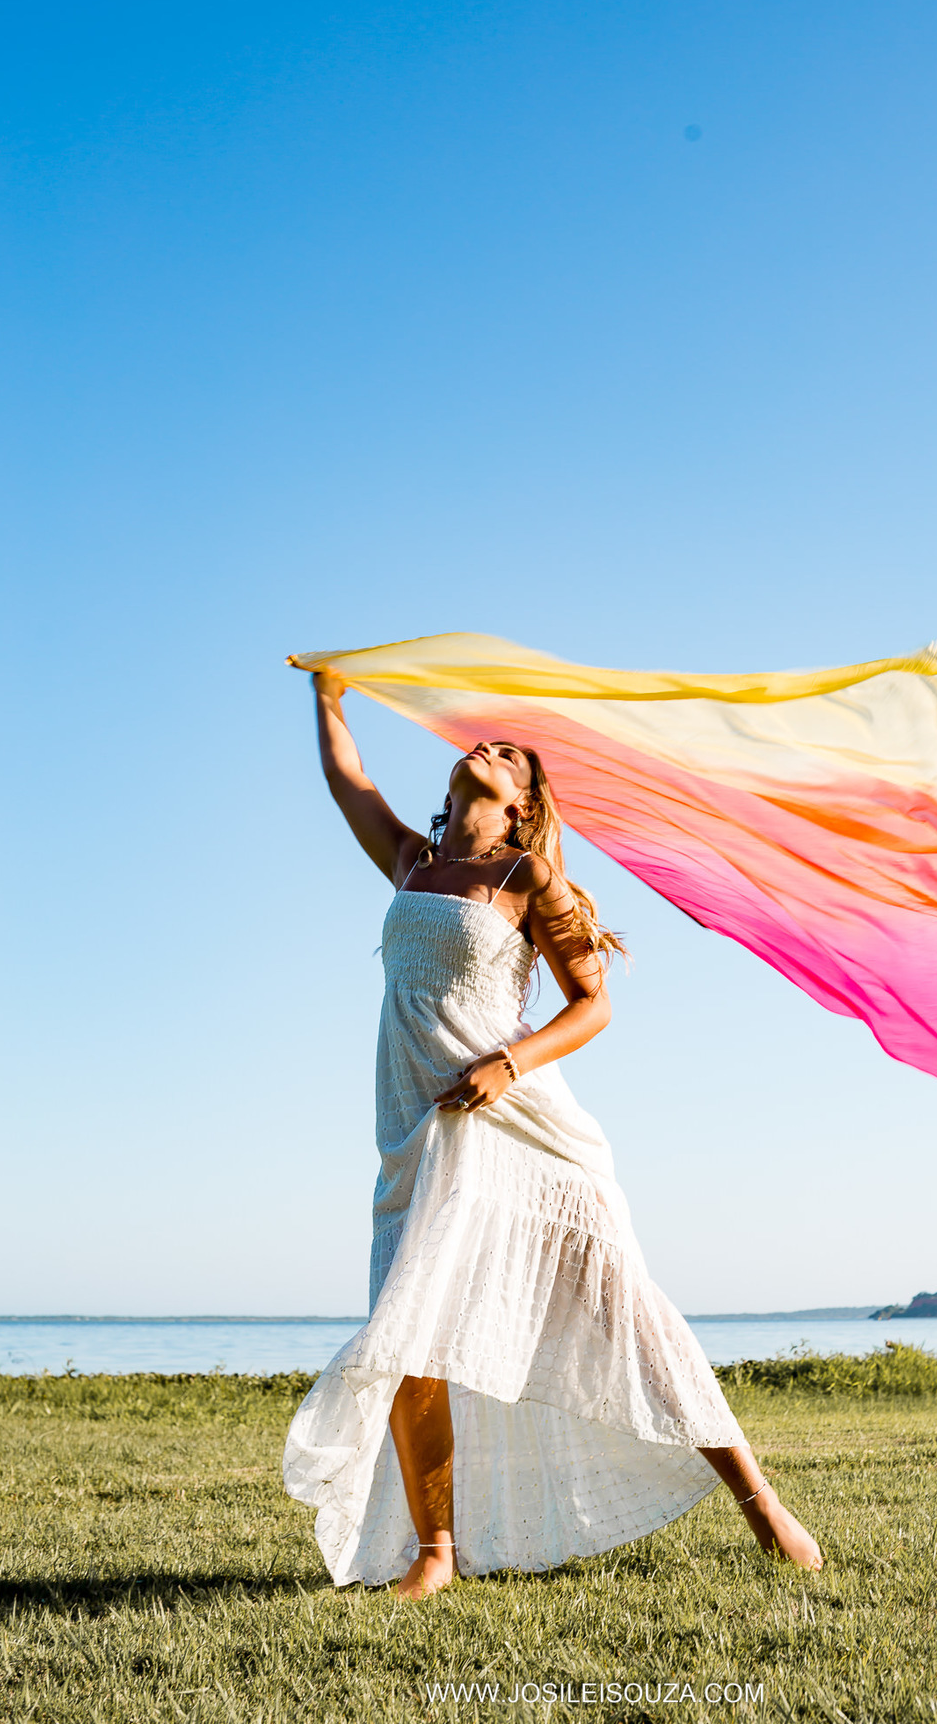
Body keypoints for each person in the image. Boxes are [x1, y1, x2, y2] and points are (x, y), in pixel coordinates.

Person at [283, 670, 823, 1600]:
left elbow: (593, 1004)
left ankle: (759, 1500)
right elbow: (347, 784)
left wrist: (511, 1065)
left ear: (523, 802)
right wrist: (329, 698)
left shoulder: (526, 876)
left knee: (628, 1317)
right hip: (418, 1128)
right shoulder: (414, 863)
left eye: (507, 756)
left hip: (525, 1130)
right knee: (407, 1339)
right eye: (481, 747)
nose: (485, 750)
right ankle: (435, 1553)